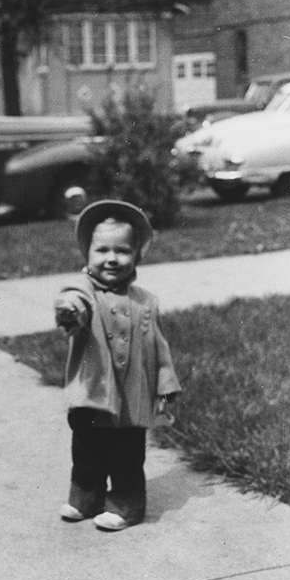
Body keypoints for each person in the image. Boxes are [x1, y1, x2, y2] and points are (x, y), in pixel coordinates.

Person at [54, 200, 181, 531]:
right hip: (95, 392)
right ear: (88, 253)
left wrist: (166, 384)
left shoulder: (145, 301)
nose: (111, 258)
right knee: (88, 449)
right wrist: (69, 311)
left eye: (122, 250)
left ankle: (126, 504)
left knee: (126, 455)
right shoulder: (83, 291)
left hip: (133, 395)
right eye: (102, 250)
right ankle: (85, 497)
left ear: (137, 255)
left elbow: (159, 345)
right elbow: (74, 301)